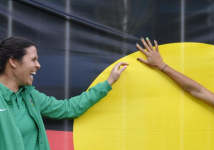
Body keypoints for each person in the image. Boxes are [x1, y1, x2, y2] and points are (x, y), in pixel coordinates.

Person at [0, 36, 128, 150]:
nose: (38, 65)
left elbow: (68, 108)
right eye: (33, 60)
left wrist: (108, 83)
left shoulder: (30, 96)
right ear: (13, 62)